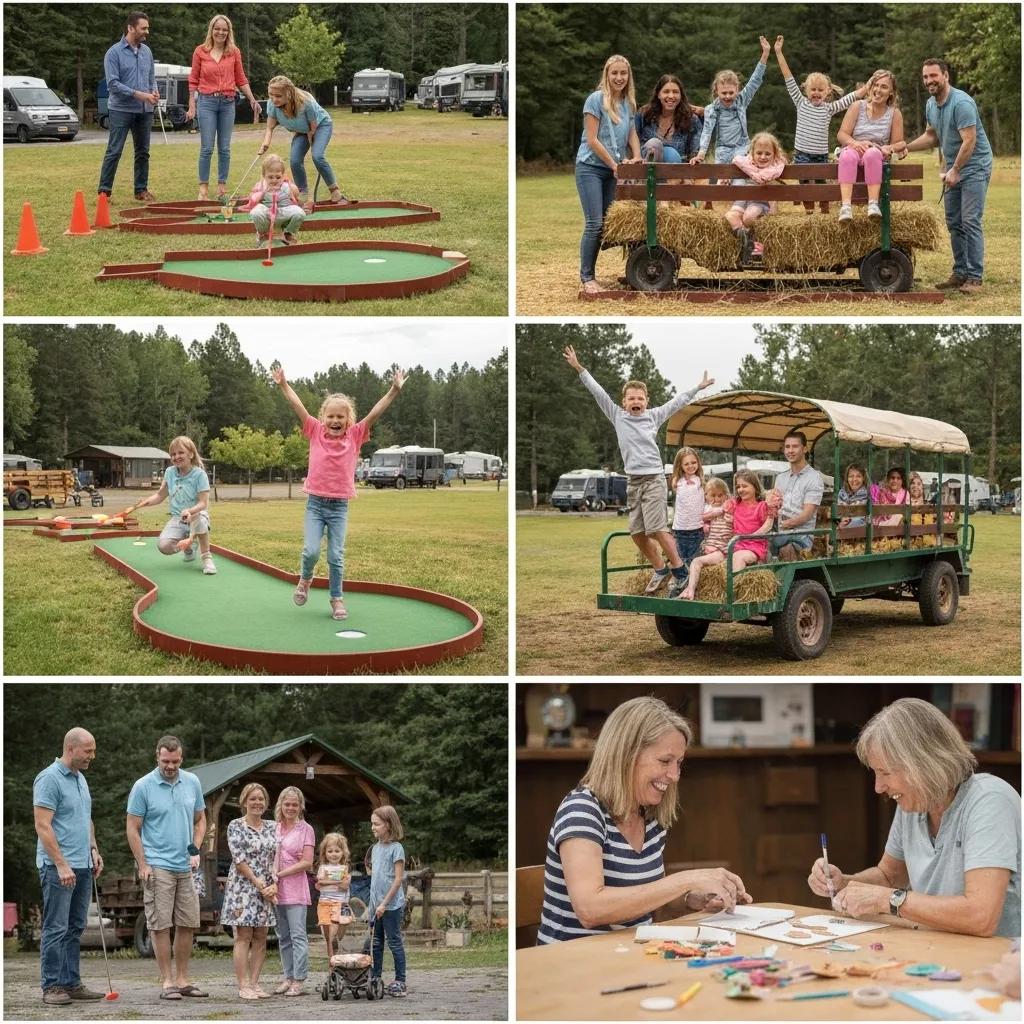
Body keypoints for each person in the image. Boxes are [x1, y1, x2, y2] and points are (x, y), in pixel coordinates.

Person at [537, 696, 751, 944]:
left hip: (630, 958)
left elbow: (645, 893)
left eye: (679, 763)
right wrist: (685, 879)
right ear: (626, 754)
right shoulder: (582, 810)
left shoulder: (650, 817)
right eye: (665, 761)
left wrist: (692, 898)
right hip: (572, 968)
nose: (674, 776)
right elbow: (590, 909)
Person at [808, 698, 1020, 938]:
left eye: (885, 772)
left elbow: (981, 917)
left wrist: (887, 899)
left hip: (1000, 961)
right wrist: (844, 884)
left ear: (922, 763)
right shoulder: (915, 802)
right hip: (937, 949)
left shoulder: (990, 801)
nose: (878, 787)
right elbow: (890, 876)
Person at [563, 345, 714, 595]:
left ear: (646, 401)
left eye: (640, 398)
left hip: (654, 479)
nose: (636, 402)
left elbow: (677, 402)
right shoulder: (617, 416)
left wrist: (697, 388)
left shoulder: (654, 416)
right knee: (637, 533)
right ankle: (660, 569)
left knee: (656, 528)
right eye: (631, 398)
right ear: (624, 402)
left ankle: (681, 571)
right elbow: (598, 392)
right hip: (633, 481)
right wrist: (579, 368)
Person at [273, 365, 406, 620]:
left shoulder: (355, 436)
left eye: (340, 417)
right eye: (331, 416)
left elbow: (376, 412)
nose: (335, 421)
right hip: (315, 504)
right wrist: (283, 385)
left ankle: (336, 599)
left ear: (349, 420)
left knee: (336, 556)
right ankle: (305, 579)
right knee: (311, 551)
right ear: (323, 418)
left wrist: (394, 390)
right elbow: (297, 405)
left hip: (339, 508)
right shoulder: (314, 430)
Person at [900, 59, 994, 294]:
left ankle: (975, 278)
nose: (929, 81)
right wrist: (906, 147)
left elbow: (969, 140)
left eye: (933, 76)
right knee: (954, 221)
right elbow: (932, 136)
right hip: (954, 167)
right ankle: (960, 272)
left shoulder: (961, 103)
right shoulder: (931, 104)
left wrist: (955, 170)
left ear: (945, 76)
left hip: (974, 166)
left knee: (970, 220)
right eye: (925, 77)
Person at [126, 735, 208, 1000]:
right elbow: (132, 828)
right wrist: (142, 863)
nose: (170, 766)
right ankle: (167, 982)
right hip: (157, 864)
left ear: (181, 758)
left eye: (175, 761)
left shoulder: (192, 782)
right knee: (160, 924)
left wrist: (194, 849)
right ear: (157, 757)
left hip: (185, 865)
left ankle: (183, 979)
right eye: (165, 761)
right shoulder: (143, 786)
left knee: (187, 922)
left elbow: (200, 820)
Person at [33, 728, 104, 1005]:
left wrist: (94, 849)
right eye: (88, 751)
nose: (92, 757)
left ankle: (71, 983)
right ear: (71, 748)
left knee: (75, 927)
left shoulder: (80, 779)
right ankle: (51, 987)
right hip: (57, 868)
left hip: (83, 865)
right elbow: (42, 825)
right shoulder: (49, 779)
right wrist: (61, 864)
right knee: (56, 927)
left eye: (93, 751)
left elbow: (85, 819)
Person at [773, 35, 866, 213]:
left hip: (820, 154)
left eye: (820, 90)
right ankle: (809, 209)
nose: (816, 93)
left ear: (827, 92)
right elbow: (788, 77)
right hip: (802, 153)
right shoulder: (801, 102)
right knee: (805, 184)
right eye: (813, 90)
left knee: (822, 184)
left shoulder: (829, 108)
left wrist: (865, 89)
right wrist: (778, 52)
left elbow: (848, 99)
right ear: (806, 90)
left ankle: (824, 208)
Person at [575, 55, 642, 294]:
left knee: (608, 223)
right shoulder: (595, 100)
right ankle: (587, 278)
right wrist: (614, 164)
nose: (619, 78)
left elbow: (632, 132)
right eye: (614, 73)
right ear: (607, 74)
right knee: (594, 223)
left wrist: (636, 156)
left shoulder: (628, 103)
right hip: (591, 167)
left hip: (614, 169)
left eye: (623, 73)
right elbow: (592, 140)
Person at [186, 14, 261, 202]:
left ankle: (222, 187)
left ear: (229, 32)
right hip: (207, 102)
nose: (221, 32)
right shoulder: (200, 51)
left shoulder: (234, 52)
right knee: (207, 147)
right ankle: (203, 187)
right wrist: (192, 104)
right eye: (217, 28)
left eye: (224, 29)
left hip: (228, 102)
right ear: (211, 30)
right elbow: (193, 80)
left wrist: (252, 99)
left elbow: (241, 79)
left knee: (225, 148)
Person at [116, 436, 215, 575]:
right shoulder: (170, 472)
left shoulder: (199, 475)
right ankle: (189, 548)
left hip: (197, 514)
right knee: (164, 546)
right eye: (173, 454)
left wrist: (189, 511)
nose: (176, 456)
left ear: (191, 454)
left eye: (181, 452)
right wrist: (144, 502)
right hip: (177, 518)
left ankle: (207, 558)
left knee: (201, 522)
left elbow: (203, 503)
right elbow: (160, 496)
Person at [678, 469, 772, 601]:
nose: (741, 489)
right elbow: (719, 508)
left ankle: (731, 596)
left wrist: (753, 535)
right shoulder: (735, 504)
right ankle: (689, 591)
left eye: (745, 486)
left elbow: (768, 524)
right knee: (696, 561)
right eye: (738, 486)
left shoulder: (761, 506)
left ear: (755, 487)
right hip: (735, 546)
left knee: (737, 558)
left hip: (753, 546)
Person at [258, 75, 349, 211]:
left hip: (320, 126)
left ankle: (336, 192)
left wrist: (311, 139)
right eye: (271, 95)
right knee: (295, 160)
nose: (273, 99)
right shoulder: (272, 105)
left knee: (317, 156)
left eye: (278, 96)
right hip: (301, 130)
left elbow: (312, 127)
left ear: (288, 94)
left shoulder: (305, 102)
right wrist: (265, 142)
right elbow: (270, 127)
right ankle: (302, 195)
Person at [222, 783, 278, 1001]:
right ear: (244, 801)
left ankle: (255, 983)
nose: (257, 803)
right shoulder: (236, 826)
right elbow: (239, 860)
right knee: (243, 935)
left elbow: (279, 857)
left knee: (261, 935)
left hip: (266, 887)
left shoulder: (273, 827)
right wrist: (259, 884)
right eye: (252, 799)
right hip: (243, 887)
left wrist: (273, 884)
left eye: (261, 799)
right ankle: (243, 984)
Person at [98, 11, 159, 202]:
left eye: (147, 28)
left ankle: (141, 190)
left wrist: (154, 92)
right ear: (130, 28)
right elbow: (113, 84)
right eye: (143, 28)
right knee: (114, 150)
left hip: (144, 111)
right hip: (121, 110)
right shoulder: (113, 53)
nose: (146, 32)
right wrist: (139, 94)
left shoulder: (147, 52)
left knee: (143, 152)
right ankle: (104, 192)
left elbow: (151, 78)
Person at [835, 69, 904, 221]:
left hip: (875, 153)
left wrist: (889, 148)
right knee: (846, 155)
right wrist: (855, 142)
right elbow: (842, 134)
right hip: (855, 149)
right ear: (870, 87)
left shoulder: (894, 113)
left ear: (891, 92)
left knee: (872, 153)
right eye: (875, 85)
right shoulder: (857, 106)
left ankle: (873, 204)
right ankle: (846, 207)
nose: (878, 90)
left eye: (884, 87)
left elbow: (900, 142)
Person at [692, 37, 771, 170]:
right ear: (716, 91)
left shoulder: (741, 100)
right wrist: (701, 153)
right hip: (722, 150)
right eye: (724, 93)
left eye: (731, 92)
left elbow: (755, 81)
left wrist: (765, 55)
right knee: (721, 183)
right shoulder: (712, 109)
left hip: (741, 148)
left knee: (738, 182)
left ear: (737, 89)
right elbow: (707, 131)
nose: (728, 96)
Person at [273, 786, 315, 997]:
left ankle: (299, 979)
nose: (290, 808)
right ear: (281, 805)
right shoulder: (274, 827)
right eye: (287, 804)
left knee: (298, 935)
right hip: (275, 891)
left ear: (300, 806)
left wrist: (280, 873)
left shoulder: (306, 829)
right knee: (283, 936)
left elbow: (307, 862)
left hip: (296, 889)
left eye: (294, 804)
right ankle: (287, 976)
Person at [726, 131, 787, 262]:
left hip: (760, 202)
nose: (763, 157)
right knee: (730, 216)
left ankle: (754, 244)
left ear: (774, 154)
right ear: (752, 153)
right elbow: (736, 164)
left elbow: (773, 193)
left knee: (749, 217)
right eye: (759, 153)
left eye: (767, 154)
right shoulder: (747, 165)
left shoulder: (773, 170)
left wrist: (773, 208)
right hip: (743, 199)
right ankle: (747, 241)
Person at [368, 806, 408, 998]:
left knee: (394, 942)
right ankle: (375, 977)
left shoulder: (396, 848)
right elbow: (376, 879)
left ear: (388, 824)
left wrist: (384, 903)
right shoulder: (375, 848)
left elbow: (398, 879)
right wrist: (374, 905)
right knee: (376, 943)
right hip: (376, 906)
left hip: (391, 906)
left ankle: (400, 980)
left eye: (376, 824)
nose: (373, 828)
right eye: (372, 824)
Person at [767, 431, 824, 561]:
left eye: (795, 446)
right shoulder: (780, 478)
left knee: (786, 549)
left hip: (801, 535)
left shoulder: (814, 478)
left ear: (804, 449)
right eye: (787, 447)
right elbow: (774, 507)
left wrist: (786, 524)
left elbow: (807, 515)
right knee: (757, 545)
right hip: (781, 532)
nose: (790, 451)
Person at [237, 153, 306, 247]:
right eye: (270, 177)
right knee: (255, 212)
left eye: (278, 177)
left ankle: (288, 233)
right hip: (267, 212)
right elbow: (252, 199)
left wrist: (292, 188)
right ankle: (263, 234)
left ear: (283, 175)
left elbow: (296, 195)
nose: (274, 180)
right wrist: (262, 193)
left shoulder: (286, 185)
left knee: (299, 213)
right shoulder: (261, 185)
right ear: (264, 176)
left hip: (282, 212)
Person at [634, 74, 703, 165]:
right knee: (654, 144)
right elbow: (632, 141)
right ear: (658, 94)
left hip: (677, 172)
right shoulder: (644, 114)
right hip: (644, 169)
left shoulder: (691, 119)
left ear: (681, 95)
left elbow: (695, 153)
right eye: (666, 91)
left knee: (671, 155)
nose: (671, 96)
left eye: (675, 92)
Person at [668, 447, 705, 598]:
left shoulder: (701, 481)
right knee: (680, 560)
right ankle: (676, 587)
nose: (691, 466)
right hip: (680, 529)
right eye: (686, 464)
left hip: (697, 528)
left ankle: (689, 589)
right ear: (680, 466)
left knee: (693, 560)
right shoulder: (678, 482)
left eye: (693, 462)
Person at [315, 832, 353, 963]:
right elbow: (321, 882)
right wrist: (337, 882)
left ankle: (335, 959)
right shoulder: (322, 868)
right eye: (330, 851)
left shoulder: (344, 869)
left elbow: (345, 886)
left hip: (339, 903)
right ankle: (332, 961)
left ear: (343, 852)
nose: (334, 854)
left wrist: (341, 883)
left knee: (334, 934)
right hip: (324, 903)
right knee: (327, 937)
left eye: (337, 851)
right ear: (325, 853)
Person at [838, 463, 869, 527]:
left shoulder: (867, 493)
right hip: (844, 523)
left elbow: (864, 517)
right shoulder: (842, 493)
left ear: (863, 478)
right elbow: (839, 513)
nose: (854, 479)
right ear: (847, 478)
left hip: (862, 526)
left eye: (858, 476)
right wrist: (843, 519)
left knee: (857, 521)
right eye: (851, 476)